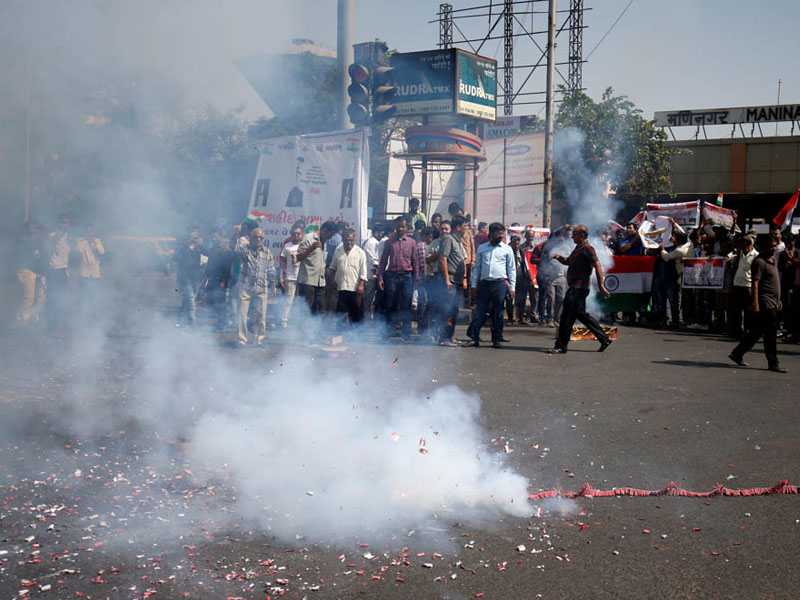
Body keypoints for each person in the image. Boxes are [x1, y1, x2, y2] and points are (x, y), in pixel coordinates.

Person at [549, 225, 612, 354]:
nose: (572, 237)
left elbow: (598, 266)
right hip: (575, 288)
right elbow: (569, 261)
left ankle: (561, 346)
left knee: (567, 317)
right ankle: (604, 338)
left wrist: (601, 286)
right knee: (581, 315)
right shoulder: (579, 248)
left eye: (575, 234)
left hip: (578, 289)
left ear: (582, 235)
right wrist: (559, 257)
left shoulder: (588, 249)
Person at [728, 235, 786, 373]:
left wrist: (778, 299)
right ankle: (773, 363)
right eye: (770, 246)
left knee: (756, 332)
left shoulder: (770, 261)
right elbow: (755, 283)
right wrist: (755, 303)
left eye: (774, 246)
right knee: (770, 334)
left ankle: (737, 353)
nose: (773, 248)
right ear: (764, 246)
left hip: (773, 302)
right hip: (765, 303)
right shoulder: (759, 262)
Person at [464, 223, 516, 349]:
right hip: (485, 284)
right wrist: (474, 285)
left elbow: (511, 269)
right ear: (491, 234)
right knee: (480, 312)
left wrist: (512, 288)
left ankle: (496, 339)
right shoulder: (482, 248)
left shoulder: (506, 249)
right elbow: (477, 268)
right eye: (499, 233)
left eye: (502, 234)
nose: (501, 236)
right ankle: (474, 338)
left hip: (500, 284)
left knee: (498, 313)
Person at [378, 216, 420, 342]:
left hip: (407, 276)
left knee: (406, 305)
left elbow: (415, 261)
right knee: (390, 304)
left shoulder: (412, 242)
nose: (401, 228)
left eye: (403, 226)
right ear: (395, 227)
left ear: (407, 228)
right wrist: (380, 277)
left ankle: (406, 333)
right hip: (392, 276)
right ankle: (388, 332)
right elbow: (383, 260)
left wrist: (416, 277)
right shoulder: (389, 242)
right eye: (399, 226)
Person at [233, 227, 276, 346]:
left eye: (260, 237)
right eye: (255, 237)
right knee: (242, 315)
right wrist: (237, 234)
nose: (258, 239)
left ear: (263, 239)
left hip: (262, 288)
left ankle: (258, 339)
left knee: (260, 316)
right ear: (250, 238)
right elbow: (236, 249)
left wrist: (273, 285)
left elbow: (271, 269)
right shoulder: (245, 250)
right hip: (245, 287)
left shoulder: (267, 252)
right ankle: (242, 339)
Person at [435, 216, 467, 346]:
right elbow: (443, 259)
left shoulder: (458, 241)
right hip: (451, 280)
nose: (466, 229)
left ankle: (449, 337)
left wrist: (464, 278)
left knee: (453, 310)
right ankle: (444, 338)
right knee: (447, 310)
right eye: (465, 226)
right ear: (458, 227)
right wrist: (447, 280)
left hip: (457, 280)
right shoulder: (448, 239)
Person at [296, 221, 337, 315]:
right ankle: (303, 329)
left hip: (320, 282)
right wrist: (311, 248)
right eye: (330, 234)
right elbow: (298, 257)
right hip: (308, 281)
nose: (330, 237)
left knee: (319, 309)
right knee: (306, 309)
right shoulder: (309, 238)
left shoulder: (325, 242)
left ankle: (316, 329)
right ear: (325, 230)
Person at [330, 229, 367, 326]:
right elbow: (333, 267)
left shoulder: (360, 252)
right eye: (347, 240)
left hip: (355, 287)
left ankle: (357, 334)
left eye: (351, 240)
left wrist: (361, 284)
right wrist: (332, 280)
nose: (349, 242)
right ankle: (342, 334)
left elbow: (363, 270)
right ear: (343, 239)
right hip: (341, 286)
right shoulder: (338, 251)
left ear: (355, 239)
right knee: (341, 313)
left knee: (356, 312)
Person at [16, 221, 47, 326]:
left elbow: (42, 256)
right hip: (27, 271)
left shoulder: (39, 241)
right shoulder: (22, 240)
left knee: (41, 297)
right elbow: (24, 257)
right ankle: (24, 320)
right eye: (32, 228)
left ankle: (30, 316)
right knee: (29, 297)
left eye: (36, 229)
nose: (34, 231)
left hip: (38, 271)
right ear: (27, 229)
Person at [46, 213, 72, 329]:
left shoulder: (67, 237)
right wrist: (57, 236)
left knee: (63, 298)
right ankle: (50, 326)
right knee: (53, 298)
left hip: (63, 270)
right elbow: (48, 248)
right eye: (63, 222)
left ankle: (55, 324)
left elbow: (66, 256)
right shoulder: (53, 235)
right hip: (54, 271)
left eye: (66, 222)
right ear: (58, 223)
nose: (65, 224)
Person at [206, 229, 234, 333]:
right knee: (210, 300)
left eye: (216, 237)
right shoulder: (213, 249)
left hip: (221, 280)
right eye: (213, 237)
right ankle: (226, 319)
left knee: (220, 302)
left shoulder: (226, 251)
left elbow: (227, 268)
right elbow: (209, 263)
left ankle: (222, 323)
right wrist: (206, 278)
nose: (214, 239)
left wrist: (224, 281)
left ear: (221, 238)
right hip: (212, 278)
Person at [730, 235, 758, 338]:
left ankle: (748, 330)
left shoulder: (755, 255)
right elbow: (733, 264)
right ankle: (737, 331)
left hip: (748, 285)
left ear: (746, 244)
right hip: (737, 284)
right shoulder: (740, 254)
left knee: (748, 310)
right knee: (736, 309)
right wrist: (738, 255)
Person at [175, 232, 205, 327]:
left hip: (196, 281)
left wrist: (201, 245)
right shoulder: (183, 250)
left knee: (186, 303)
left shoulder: (199, 250)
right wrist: (186, 247)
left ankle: (178, 322)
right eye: (192, 238)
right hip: (184, 281)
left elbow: (207, 257)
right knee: (191, 304)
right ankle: (193, 327)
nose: (193, 240)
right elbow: (176, 258)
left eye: (196, 238)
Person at [279, 224, 304, 328]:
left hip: (302, 278)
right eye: (294, 234)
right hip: (290, 278)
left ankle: (296, 322)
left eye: (298, 234)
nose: (296, 236)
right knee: (288, 301)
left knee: (299, 301)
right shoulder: (287, 246)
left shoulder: (304, 246)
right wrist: (281, 277)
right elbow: (282, 263)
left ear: (302, 234)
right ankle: (284, 322)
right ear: (291, 234)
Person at [362, 223, 385, 322]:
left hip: (374, 274)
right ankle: (365, 319)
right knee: (368, 298)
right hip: (370, 274)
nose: (382, 236)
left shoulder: (374, 242)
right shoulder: (371, 242)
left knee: (372, 298)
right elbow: (373, 259)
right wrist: (382, 269)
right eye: (381, 234)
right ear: (376, 233)